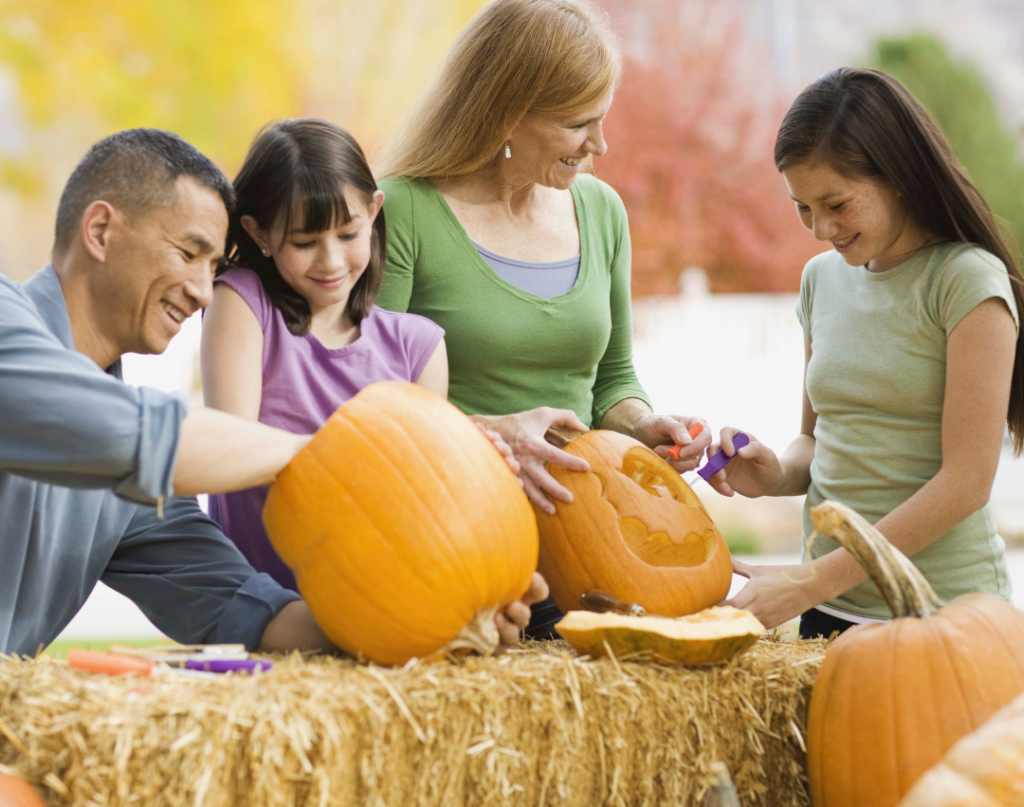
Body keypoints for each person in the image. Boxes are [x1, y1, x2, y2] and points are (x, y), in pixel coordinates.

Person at [0, 127, 542, 656]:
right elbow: (134, 434)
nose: (203, 293)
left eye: (213, 265)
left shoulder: (132, 494)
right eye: (188, 253)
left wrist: (430, 622)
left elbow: (248, 609)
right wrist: (345, 458)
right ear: (100, 231)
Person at [373, 0, 711, 638]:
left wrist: (645, 425)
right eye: (578, 124)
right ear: (505, 111)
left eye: (602, 121)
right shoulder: (403, 208)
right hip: (458, 548)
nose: (600, 145)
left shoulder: (602, 211)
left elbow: (612, 378)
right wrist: (493, 432)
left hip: (587, 550)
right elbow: (372, 407)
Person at [708, 68, 1024, 639]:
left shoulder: (967, 282)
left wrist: (809, 581)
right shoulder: (821, 280)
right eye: (802, 207)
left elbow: (966, 483)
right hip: (830, 611)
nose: (818, 228)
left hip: (942, 616)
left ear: (898, 177)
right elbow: (818, 439)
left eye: (836, 204)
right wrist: (775, 473)